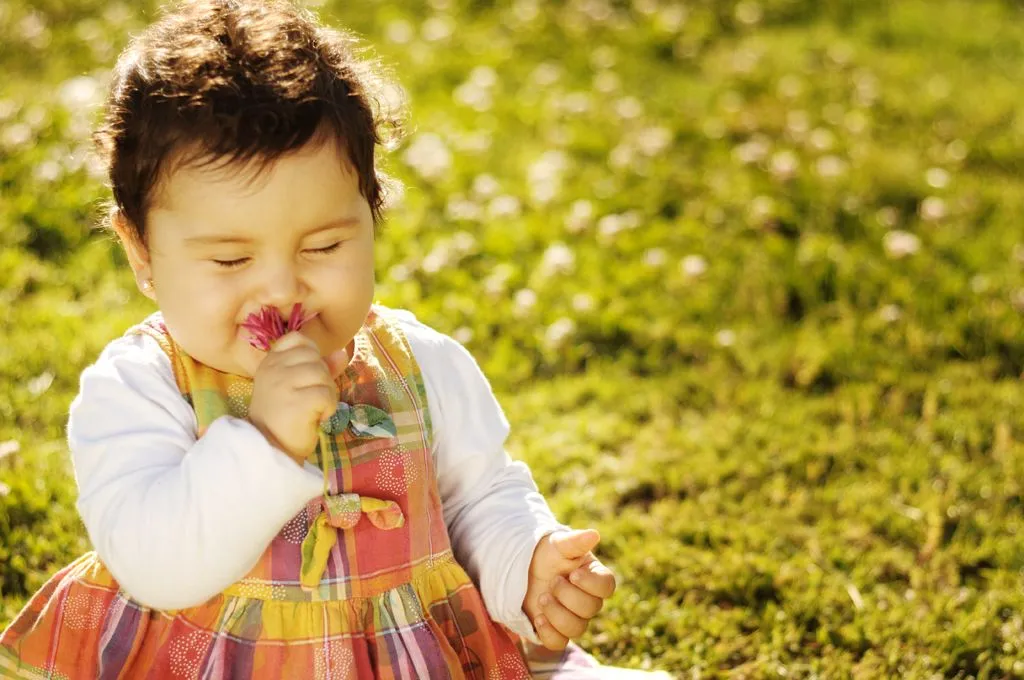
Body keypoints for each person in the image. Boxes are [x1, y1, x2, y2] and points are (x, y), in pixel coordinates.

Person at [0, 1, 676, 677]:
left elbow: (479, 499)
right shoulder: (140, 389)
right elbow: (158, 564)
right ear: (141, 252)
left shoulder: (418, 363)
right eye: (231, 260)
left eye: (324, 244)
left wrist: (524, 565)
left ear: (372, 213)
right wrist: (265, 443)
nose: (282, 289)